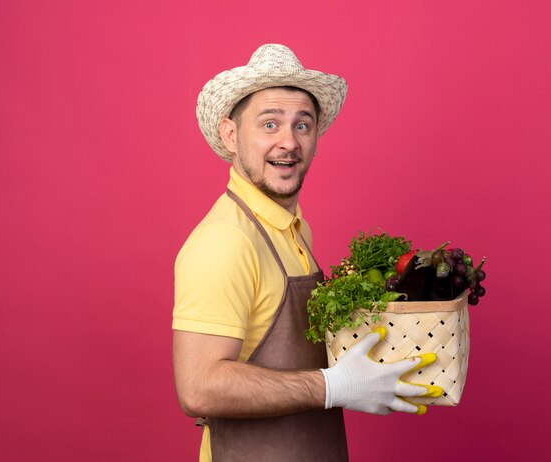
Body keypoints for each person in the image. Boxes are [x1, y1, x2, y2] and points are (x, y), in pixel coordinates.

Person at [172, 44, 442, 462]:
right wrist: (333, 387)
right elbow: (199, 386)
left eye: (303, 125)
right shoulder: (224, 241)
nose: (288, 142)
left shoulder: (295, 229)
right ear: (231, 134)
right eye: (269, 123)